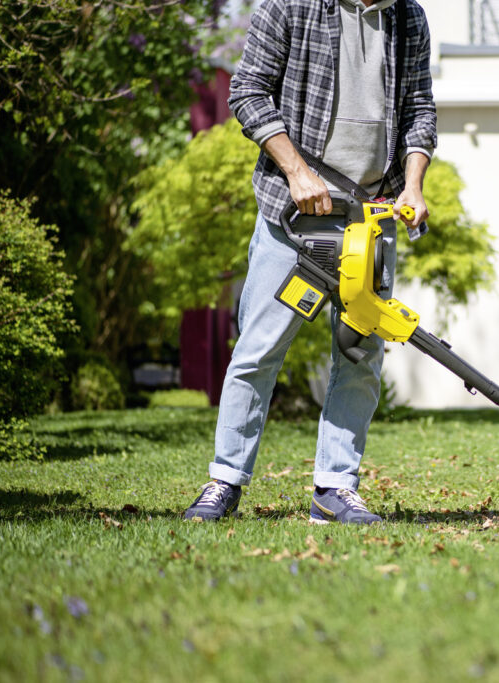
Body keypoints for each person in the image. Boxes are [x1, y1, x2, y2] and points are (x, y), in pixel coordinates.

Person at [184, 0, 436, 524]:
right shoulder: (290, 4)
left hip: (372, 215)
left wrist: (413, 184)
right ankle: (224, 481)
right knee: (258, 351)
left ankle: (335, 488)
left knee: (360, 357)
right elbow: (247, 91)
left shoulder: (408, 17)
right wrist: (297, 172)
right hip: (295, 213)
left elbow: (420, 112)